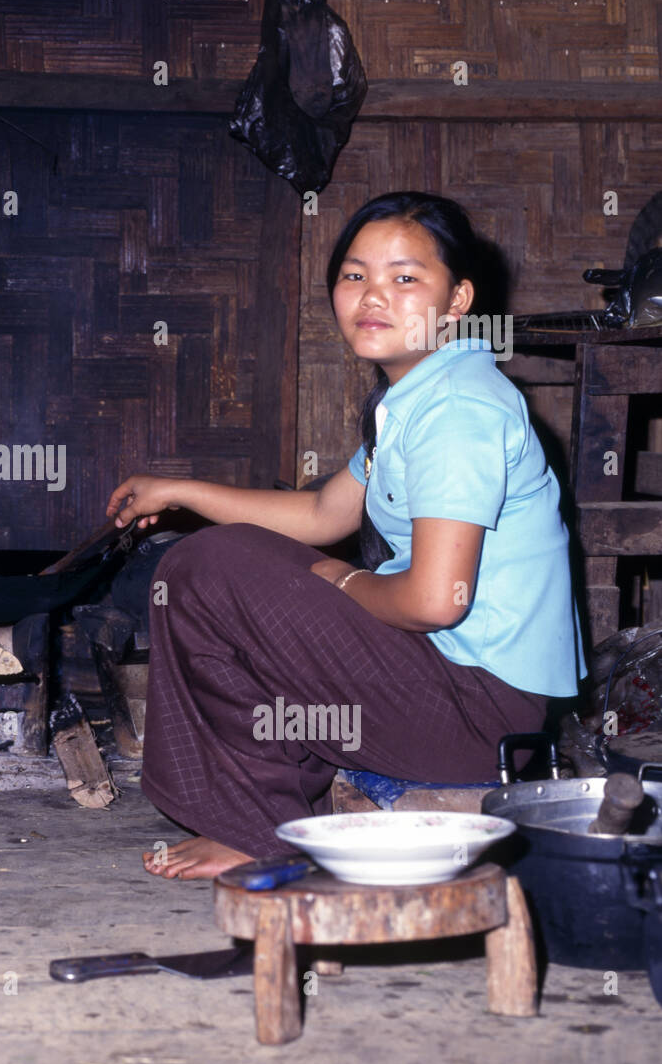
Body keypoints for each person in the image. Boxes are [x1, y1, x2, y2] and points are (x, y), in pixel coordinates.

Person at [105, 191, 588, 880]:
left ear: (457, 300)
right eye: (355, 275)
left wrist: (344, 580)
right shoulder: (418, 398)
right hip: (454, 688)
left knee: (204, 570)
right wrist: (180, 491)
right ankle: (277, 790)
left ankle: (256, 825)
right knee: (228, 557)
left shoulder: (460, 409)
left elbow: (433, 603)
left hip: (478, 715)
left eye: (405, 278)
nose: (372, 296)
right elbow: (325, 514)